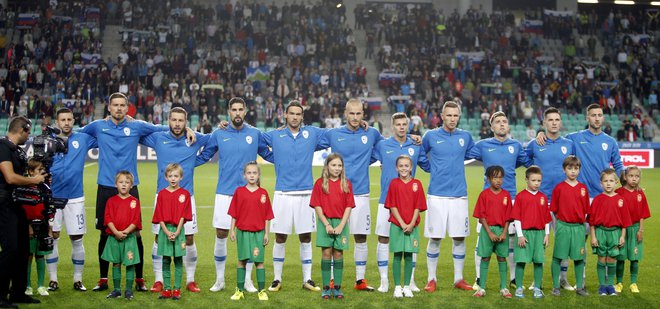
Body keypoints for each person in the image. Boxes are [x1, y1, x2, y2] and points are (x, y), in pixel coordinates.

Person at [81, 92, 195, 292]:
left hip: (131, 186)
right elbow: (79, 133)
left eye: (122, 105)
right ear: (109, 107)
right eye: (115, 105)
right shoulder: (98, 126)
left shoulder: (136, 125)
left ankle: (140, 279)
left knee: (137, 233)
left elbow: (164, 128)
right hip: (106, 186)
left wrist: (188, 128)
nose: (118, 108)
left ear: (127, 108)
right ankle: (103, 279)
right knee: (105, 234)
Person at [196, 97, 271, 292]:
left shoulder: (255, 133)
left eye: (240, 110)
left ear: (245, 112)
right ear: (229, 112)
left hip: (250, 194)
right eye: (234, 110)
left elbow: (269, 153)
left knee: (248, 236)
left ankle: (247, 280)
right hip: (225, 192)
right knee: (220, 234)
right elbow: (205, 155)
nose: (237, 113)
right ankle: (219, 280)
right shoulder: (219, 133)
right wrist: (185, 163)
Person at [141, 107, 210, 294]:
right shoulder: (159, 137)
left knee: (188, 238)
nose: (177, 124)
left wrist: (196, 160)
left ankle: (190, 280)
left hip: (187, 197)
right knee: (159, 236)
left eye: (181, 121)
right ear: (168, 121)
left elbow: (213, 139)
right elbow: (139, 133)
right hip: (162, 195)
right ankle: (158, 280)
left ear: (186, 122)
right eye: (174, 120)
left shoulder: (193, 138)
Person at [318, 98, 384, 291]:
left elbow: (388, 147)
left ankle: (360, 280)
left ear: (363, 115)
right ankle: (331, 279)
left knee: (361, 237)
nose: (355, 117)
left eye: (358, 113)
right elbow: (309, 139)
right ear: (345, 114)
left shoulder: (372, 133)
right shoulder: (333, 134)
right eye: (351, 113)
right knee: (332, 238)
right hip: (336, 194)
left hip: (361, 193)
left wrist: (413, 138)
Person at [264, 101, 324, 292]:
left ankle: (307, 279)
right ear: (286, 115)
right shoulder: (275, 135)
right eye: (292, 114)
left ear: (302, 117)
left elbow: (336, 135)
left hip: (306, 193)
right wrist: (276, 158)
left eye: (298, 114)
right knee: (280, 237)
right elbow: (254, 139)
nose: (295, 117)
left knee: (305, 237)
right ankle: (277, 279)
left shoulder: (312, 134)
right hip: (282, 193)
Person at [467, 111, 531, 289]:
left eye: (505, 121)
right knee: (482, 240)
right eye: (498, 122)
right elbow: (463, 153)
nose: (502, 124)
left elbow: (527, 161)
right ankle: (479, 278)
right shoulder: (483, 145)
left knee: (510, 240)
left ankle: (512, 279)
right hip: (488, 198)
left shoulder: (516, 146)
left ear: (508, 125)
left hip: (510, 198)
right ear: (492, 127)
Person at [420, 101, 474, 292]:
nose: (452, 119)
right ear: (442, 116)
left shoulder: (465, 137)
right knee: (435, 238)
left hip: (459, 195)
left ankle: (458, 279)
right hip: (437, 195)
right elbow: (420, 155)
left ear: (459, 117)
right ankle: (431, 279)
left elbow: (473, 153)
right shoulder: (431, 136)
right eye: (449, 115)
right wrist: (432, 169)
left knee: (459, 237)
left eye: (455, 116)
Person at [372, 112, 429, 293]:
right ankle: (384, 281)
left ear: (408, 125)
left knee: (408, 241)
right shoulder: (383, 145)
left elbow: (427, 166)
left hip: (409, 204)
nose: (402, 127)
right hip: (385, 200)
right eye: (398, 124)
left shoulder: (415, 145)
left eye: (405, 124)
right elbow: (367, 156)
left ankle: (410, 281)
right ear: (392, 126)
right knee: (383, 238)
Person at [524, 107, 574, 291]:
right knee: (538, 243)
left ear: (560, 122)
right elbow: (525, 161)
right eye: (550, 120)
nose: (554, 122)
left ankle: (563, 278)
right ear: (544, 123)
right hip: (541, 201)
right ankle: (536, 280)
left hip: (563, 202)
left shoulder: (569, 144)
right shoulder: (535, 144)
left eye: (557, 119)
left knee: (563, 243)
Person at [47, 108, 97, 292]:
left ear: (73, 120)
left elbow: (106, 137)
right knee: (52, 237)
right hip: (52, 196)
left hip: (75, 197)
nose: (66, 122)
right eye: (63, 119)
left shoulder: (83, 138)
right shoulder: (48, 141)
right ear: (57, 121)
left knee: (77, 238)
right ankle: (53, 280)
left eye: (69, 119)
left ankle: (78, 280)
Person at [0, 116, 46, 307]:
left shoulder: (15, 150)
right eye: (28, 132)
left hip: (17, 203)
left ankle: (18, 293)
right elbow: (10, 178)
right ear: (22, 130)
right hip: (3, 205)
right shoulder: (2, 147)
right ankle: (1, 296)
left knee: (23, 250)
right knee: (10, 249)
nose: (29, 136)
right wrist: (33, 181)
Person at [228, 162, 273, 301]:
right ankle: (239, 290)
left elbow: (267, 216)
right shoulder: (239, 192)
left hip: (258, 233)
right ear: (244, 175)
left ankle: (262, 291)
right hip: (242, 231)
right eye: (249, 173)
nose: (252, 175)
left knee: (259, 261)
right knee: (241, 260)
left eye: (254, 173)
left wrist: (266, 233)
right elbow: (234, 213)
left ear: (258, 175)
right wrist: (232, 230)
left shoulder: (263, 193)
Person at [311, 153, 354, 300]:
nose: (337, 168)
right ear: (327, 166)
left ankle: (337, 287)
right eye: (333, 165)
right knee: (326, 253)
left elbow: (349, 206)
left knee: (338, 254)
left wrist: (342, 225)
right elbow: (317, 206)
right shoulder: (319, 183)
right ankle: (325, 288)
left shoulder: (346, 183)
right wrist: (327, 224)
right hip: (325, 223)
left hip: (341, 222)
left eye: (339, 165)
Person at [385, 155, 427, 298]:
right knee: (397, 255)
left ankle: (407, 286)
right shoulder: (394, 183)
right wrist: (402, 223)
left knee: (409, 255)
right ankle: (397, 287)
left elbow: (418, 206)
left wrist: (411, 223)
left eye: (406, 166)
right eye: (401, 166)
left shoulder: (417, 184)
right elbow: (392, 205)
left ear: (411, 167)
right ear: (397, 168)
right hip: (397, 225)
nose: (404, 168)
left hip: (412, 226)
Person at [549, 156, 589, 297]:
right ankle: (555, 286)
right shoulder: (559, 188)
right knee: (558, 257)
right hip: (563, 226)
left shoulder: (583, 188)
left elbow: (586, 211)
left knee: (579, 257)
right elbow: (554, 209)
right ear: (564, 169)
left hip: (578, 228)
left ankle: (580, 287)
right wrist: (560, 225)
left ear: (579, 170)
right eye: (570, 168)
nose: (573, 171)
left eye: (576, 168)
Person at [152, 163, 192, 300]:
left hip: (179, 231)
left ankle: (177, 289)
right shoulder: (162, 194)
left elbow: (183, 215)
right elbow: (159, 215)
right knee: (166, 259)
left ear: (181, 177)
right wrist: (166, 232)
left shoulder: (185, 194)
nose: (173, 178)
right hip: (165, 231)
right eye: (170, 176)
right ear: (166, 177)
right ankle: (167, 288)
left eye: (176, 176)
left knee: (179, 260)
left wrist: (177, 231)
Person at [588, 168, 631, 296]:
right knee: (602, 258)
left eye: (611, 181)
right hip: (600, 232)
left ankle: (610, 285)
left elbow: (625, 221)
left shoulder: (621, 200)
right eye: (605, 181)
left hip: (615, 233)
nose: (608, 183)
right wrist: (593, 237)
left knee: (612, 259)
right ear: (601, 183)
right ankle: (602, 286)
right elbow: (592, 222)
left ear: (616, 182)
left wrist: (622, 236)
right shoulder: (597, 200)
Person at [472, 165, 513, 298]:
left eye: (501, 177)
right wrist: (489, 232)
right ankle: (481, 288)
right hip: (487, 230)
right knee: (485, 257)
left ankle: (504, 288)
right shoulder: (484, 194)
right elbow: (481, 216)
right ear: (488, 179)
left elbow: (508, 217)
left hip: (502, 230)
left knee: (502, 257)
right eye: (495, 177)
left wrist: (503, 233)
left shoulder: (506, 195)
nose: (498, 180)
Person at [510, 166, 551, 299]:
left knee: (538, 262)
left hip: (539, 234)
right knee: (521, 261)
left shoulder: (543, 197)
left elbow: (546, 218)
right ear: (527, 180)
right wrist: (520, 235)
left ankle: (537, 288)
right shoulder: (520, 196)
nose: (536, 183)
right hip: (525, 234)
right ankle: (519, 288)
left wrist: (546, 235)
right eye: (533, 180)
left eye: (539, 181)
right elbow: (517, 217)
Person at [101, 171, 142, 300]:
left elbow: (136, 220)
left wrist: (125, 232)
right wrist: (116, 232)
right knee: (116, 263)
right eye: (121, 182)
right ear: (116, 184)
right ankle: (117, 290)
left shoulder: (134, 201)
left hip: (129, 238)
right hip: (114, 238)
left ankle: (128, 290)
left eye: (127, 182)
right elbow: (108, 218)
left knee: (130, 264)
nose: (124, 185)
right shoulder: (111, 201)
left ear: (131, 185)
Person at [614, 166, 650, 294]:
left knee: (635, 258)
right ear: (625, 177)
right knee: (620, 257)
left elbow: (642, 214)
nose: (634, 179)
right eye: (631, 176)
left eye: (637, 176)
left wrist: (641, 230)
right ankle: (619, 283)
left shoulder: (640, 193)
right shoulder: (618, 192)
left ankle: (633, 283)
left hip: (635, 229)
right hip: (621, 230)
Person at [23, 159, 52, 297]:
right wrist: (28, 226)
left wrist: (50, 228)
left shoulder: (45, 188)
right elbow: (23, 209)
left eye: (43, 169)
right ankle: (27, 285)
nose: (42, 172)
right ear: (30, 171)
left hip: (43, 226)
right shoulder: (25, 187)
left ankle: (41, 285)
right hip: (28, 226)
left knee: (40, 256)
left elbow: (49, 209)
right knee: (28, 256)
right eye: (39, 169)